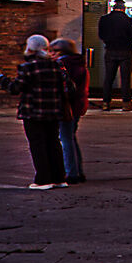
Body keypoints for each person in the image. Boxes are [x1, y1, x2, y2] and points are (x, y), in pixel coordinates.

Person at [0, 33, 69, 188]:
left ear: (30, 49)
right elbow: (69, 86)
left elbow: (14, 88)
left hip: (33, 111)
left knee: (38, 144)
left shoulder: (28, 68)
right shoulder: (57, 66)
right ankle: (59, 178)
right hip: (54, 110)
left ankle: (43, 179)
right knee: (53, 143)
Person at [51, 38, 89, 183]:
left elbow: (63, 87)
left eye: (53, 51)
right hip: (78, 105)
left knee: (66, 139)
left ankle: (71, 172)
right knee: (71, 138)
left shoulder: (62, 65)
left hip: (67, 106)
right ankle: (77, 170)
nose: (51, 54)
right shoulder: (79, 63)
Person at [98, 0, 132, 107]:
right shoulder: (128, 20)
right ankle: (126, 103)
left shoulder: (104, 19)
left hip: (110, 50)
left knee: (109, 77)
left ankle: (106, 102)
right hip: (126, 51)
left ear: (113, 8)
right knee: (125, 78)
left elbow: (101, 35)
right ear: (124, 8)